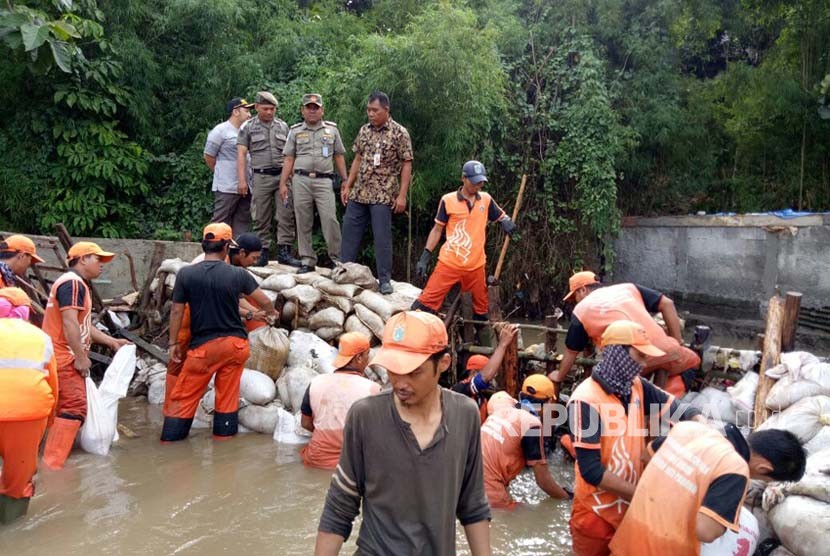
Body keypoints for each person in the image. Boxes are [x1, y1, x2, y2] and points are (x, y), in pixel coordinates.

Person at [315, 311, 491, 555]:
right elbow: (340, 505)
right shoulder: (365, 416)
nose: (400, 382)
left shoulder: (465, 415)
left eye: (414, 372)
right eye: (394, 369)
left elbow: (473, 505)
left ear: (443, 363)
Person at [567, 320, 703, 556]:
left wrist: (705, 430)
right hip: (595, 513)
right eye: (639, 356)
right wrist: (646, 495)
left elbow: (682, 411)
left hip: (628, 509)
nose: (642, 365)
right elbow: (592, 472)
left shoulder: (637, 387)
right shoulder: (585, 401)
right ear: (616, 353)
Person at [610, 423, 806, 556]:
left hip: (629, 536)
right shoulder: (737, 469)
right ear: (764, 469)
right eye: (764, 478)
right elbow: (706, 532)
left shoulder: (692, 429)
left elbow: (646, 455)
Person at [161, 224, 278, 442]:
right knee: (227, 397)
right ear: (227, 247)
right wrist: (269, 313)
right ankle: (224, 449)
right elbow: (261, 300)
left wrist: (172, 343)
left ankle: (171, 444)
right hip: (236, 347)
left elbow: (176, 310)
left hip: (203, 347)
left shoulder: (187, 273)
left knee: (184, 397)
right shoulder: (237, 274)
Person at [41, 242, 130, 470]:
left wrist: (111, 341)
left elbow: (82, 324)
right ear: (82, 259)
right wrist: (80, 358)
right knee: (74, 406)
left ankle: (45, 458)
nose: (102, 265)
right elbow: (70, 322)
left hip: (56, 355)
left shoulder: (74, 284)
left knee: (59, 409)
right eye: (98, 260)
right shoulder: (73, 284)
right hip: (64, 356)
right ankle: (53, 465)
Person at [550, 271, 701, 398]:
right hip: (664, 351)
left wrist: (559, 376)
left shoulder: (581, 310)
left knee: (633, 382)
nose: (575, 302)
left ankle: (651, 406)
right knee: (693, 361)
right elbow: (667, 303)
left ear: (582, 290)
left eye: (574, 297)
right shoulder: (628, 288)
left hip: (629, 362)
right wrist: (676, 341)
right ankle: (666, 401)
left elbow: (571, 352)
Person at [412, 160, 515, 317]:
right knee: (425, 304)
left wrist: (506, 221)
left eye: (481, 182)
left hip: (475, 266)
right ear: (463, 178)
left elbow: (501, 215)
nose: (478, 186)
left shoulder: (486, 200)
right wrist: (425, 257)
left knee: (481, 311)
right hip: (449, 263)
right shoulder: (448, 200)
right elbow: (437, 229)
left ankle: (480, 340)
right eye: (474, 182)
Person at [340, 91, 413, 294]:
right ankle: (344, 270)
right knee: (349, 232)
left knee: (382, 237)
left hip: (383, 193)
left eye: (375, 110)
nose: (371, 114)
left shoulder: (399, 133)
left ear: (386, 110)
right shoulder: (364, 130)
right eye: (369, 110)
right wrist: (348, 184)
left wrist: (402, 195)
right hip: (360, 192)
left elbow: (407, 163)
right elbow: (357, 158)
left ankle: (384, 280)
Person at [0, 288, 58, 523]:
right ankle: (11, 528)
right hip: (29, 414)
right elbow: (53, 382)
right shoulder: (41, 337)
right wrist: (50, 420)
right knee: (18, 480)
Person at [279, 94, 348, 274]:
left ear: (322, 110)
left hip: (324, 180)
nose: (312, 111)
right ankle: (307, 260)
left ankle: (337, 259)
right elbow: (289, 158)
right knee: (303, 220)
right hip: (300, 179)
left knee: (330, 219)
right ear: (302, 110)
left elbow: (339, 156)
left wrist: (346, 181)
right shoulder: (295, 131)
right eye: (308, 107)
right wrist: (283, 183)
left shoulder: (332, 130)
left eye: (315, 107)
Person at [481, 380, 570, 510]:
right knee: (530, 517)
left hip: (465, 483)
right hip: (489, 494)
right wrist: (568, 497)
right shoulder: (531, 424)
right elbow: (543, 481)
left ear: (521, 395)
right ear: (549, 402)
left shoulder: (502, 409)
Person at [236, 91, 301, 267]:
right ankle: (262, 252)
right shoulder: (248, 127)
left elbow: (290, 155)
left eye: (272, 109)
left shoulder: (283, 126)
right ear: (256, 107)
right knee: (260, 216)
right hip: (261, 176)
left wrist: (292, 177)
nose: (269, 112)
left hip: (282, 176)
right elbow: (241, 153)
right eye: (265, 109)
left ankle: (284, 252)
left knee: (286, 214)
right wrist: (241, 180)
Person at [299, 332, 380, 469]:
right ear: (359, 358)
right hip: (351, 467)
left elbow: (305, 423)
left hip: (316, 459)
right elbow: (377, 433)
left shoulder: (316, 382)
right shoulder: (373, 389)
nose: (368, 359)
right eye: (367, 355)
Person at [204, 97, 254, 238]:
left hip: (247, 185)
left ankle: (235, 255)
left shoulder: (248, 131)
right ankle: (211, 254)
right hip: (227, 186)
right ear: (236, 111)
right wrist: (221, 173)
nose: (250, 115)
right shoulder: (220, 131)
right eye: (247, 111)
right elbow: (208, 156)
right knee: (220, 222)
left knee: (242, 222)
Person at [452, 323, 519, 422]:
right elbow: (485, 377)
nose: (491, 380)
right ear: (474, 372)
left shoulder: (481, 396)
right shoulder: (461, 389)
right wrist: (502, 345)